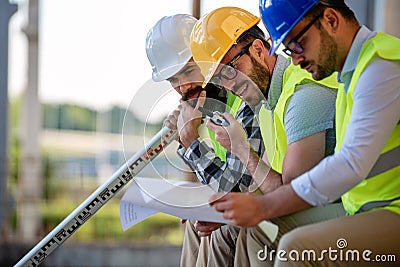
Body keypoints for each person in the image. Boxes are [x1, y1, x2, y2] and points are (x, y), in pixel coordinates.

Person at [210, 0, 400, 266]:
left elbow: (350, 164)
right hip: (362, 206)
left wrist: (263, 206)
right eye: (288, 49)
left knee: (295, 248)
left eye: (298, 43)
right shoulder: (352, 72)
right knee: (262, 231)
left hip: (391, 210)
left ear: (331, 20)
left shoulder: (381, 66)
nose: (295, 59)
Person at [188, 6, 339, 266]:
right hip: (309, 200)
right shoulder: (266, 100)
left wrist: (241, 149)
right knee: (211, 227)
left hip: (339, 205)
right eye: (218, 80)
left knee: (255, 229)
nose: (228, 85)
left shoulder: (302, 96)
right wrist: (227, 209)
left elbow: (292, 194)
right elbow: (268, 184)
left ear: (258, 50)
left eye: (231, 70)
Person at [145, 14, 264, 267]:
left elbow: (233, 191)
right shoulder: (209, 106)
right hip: (253, 200)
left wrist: (190, 144)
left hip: (268, 206)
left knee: (215, 230)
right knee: (194, 224)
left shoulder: (244, 99)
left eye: (188, 71)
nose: (183, 86)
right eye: (173, 80)